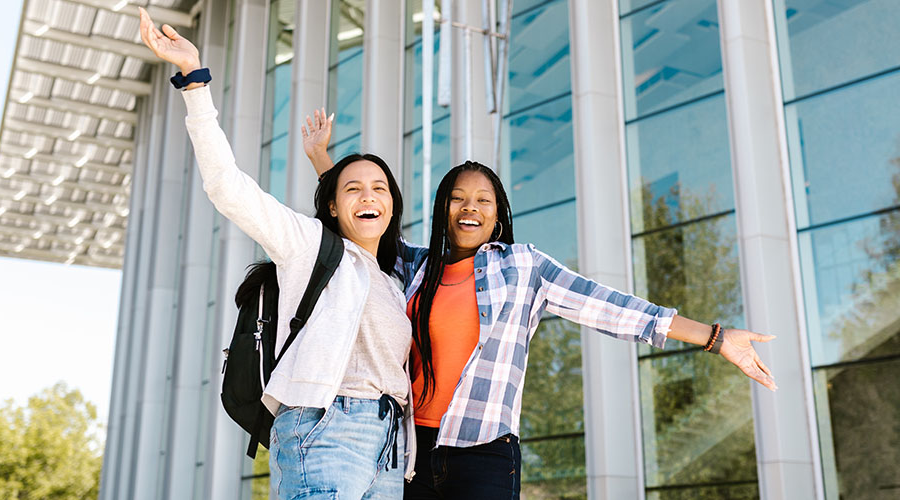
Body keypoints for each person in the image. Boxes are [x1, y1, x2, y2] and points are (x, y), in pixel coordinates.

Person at [301, 112, 777, 500]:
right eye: (457, 199)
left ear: (498, 212)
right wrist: (323, 160)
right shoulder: (414, 268)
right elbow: (364, 218)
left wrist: (716, 338)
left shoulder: (524, 268)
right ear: (442, 209)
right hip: (409, 453)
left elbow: (611, 308)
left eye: (483, 200)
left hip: (486, 453)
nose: (470, 208)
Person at [138, 8, 417, 499]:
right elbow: (228, 187)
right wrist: (194, 81)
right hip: (327, 430)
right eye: (354, 189)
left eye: (380, 188)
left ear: (393, 204)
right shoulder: (309, 245)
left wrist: (325, 162)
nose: (369, 196)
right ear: (331, 204)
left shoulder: (392, 279)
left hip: (389, 446)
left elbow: (357, 219)